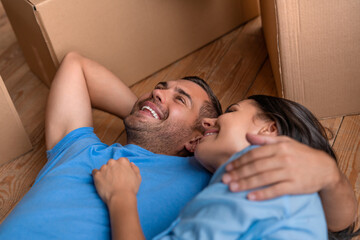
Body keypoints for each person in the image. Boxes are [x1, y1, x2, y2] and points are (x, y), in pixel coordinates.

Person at [0, 52, 356, 239]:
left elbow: (335, 225)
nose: (158, 91)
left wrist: (171, 125)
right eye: (160, 86)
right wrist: (150, 111)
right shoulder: (78, 149)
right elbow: (75, 65)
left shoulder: (206, 172)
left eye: (181, 98)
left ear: (196, 137)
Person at [93, 95, 360, 240]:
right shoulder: (298, 196)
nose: (209, 122)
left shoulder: (253, 176)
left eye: (231, 111)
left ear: (269, 129)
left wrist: (121, 197)